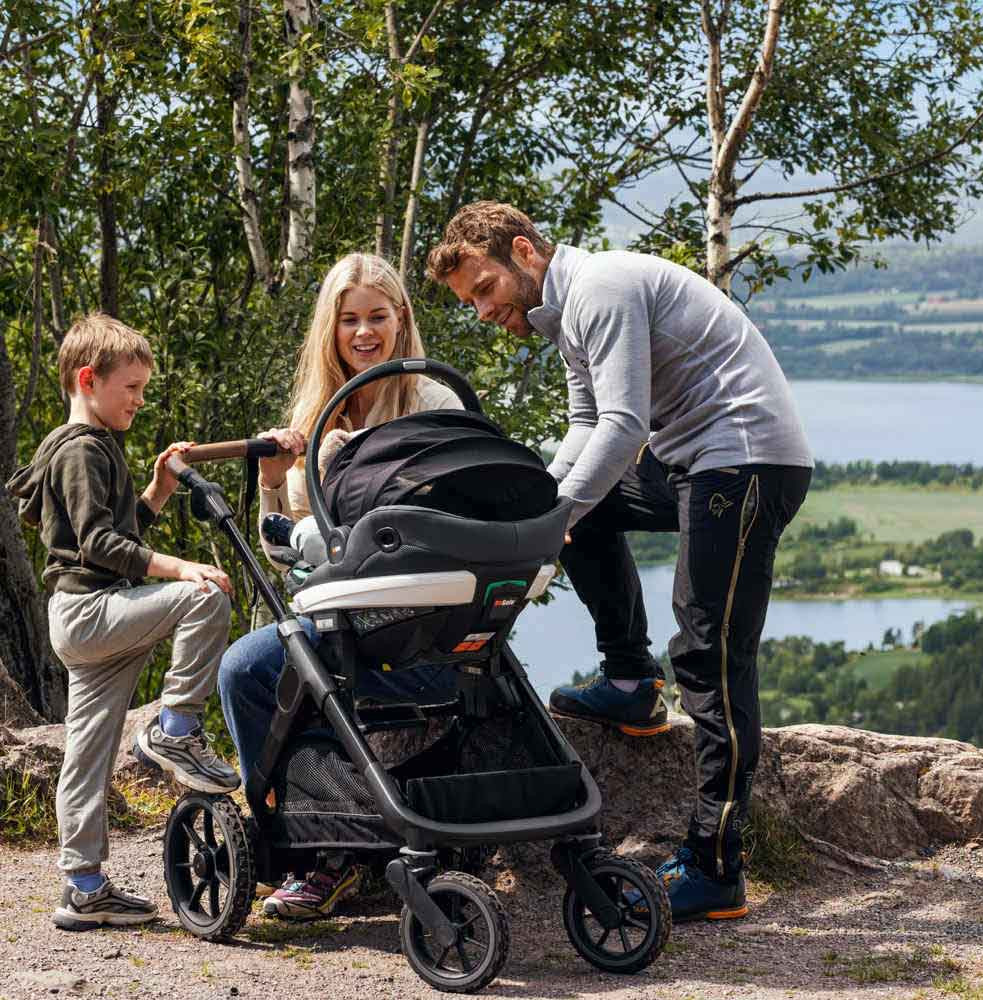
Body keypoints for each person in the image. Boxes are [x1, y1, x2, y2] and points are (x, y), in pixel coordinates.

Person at [426, 202, 813, 923]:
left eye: (484, 289)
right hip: (697, 463)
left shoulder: (600, 289)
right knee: (590, 507)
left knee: (709, 654)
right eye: (469, 301)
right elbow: (584, 427)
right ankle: (631, 680)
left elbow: (624, 426)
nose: (481, 311)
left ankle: (716, 865)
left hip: (744, 463)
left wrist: (553, 521)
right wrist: (542, 509)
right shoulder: (568, 309)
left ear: (524, 253)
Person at [218, 252, 461, 921]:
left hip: (411, 625)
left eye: (376, 317)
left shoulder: (430, 403)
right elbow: (287, 553)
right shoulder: (315, 413)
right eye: (349, 320)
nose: (363, 333)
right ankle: (318, 847)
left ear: (400, 318)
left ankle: (318, 854)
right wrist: (272, 480)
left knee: (256, 670)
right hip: (342, 619)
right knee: (263, 666)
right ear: (330, 328)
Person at [6, 313, 239, 931]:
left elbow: (118, 531)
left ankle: (83, 887)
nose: (139, 399)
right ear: (89, 379)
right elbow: (99, 544)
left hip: (80, 617)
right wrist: (181, 567)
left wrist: (158, 489)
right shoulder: (82, 449)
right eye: (131, 387)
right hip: (92, 610)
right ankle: (177, 728)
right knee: (205, 595)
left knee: (86, 754)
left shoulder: (82, 446)